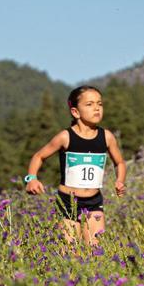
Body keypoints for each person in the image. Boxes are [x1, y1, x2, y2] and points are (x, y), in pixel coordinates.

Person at [24, 86, 127, 246]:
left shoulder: (107, 137)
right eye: (89, 104)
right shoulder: (65, 137)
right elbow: (39, 156)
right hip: (67, 200)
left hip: (93, 201)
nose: (96, 108)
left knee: (96, 251)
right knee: (69, 253)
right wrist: (32, 178)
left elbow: (119, 162)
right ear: (75, 112)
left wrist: (120, 180)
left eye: (99, 104)